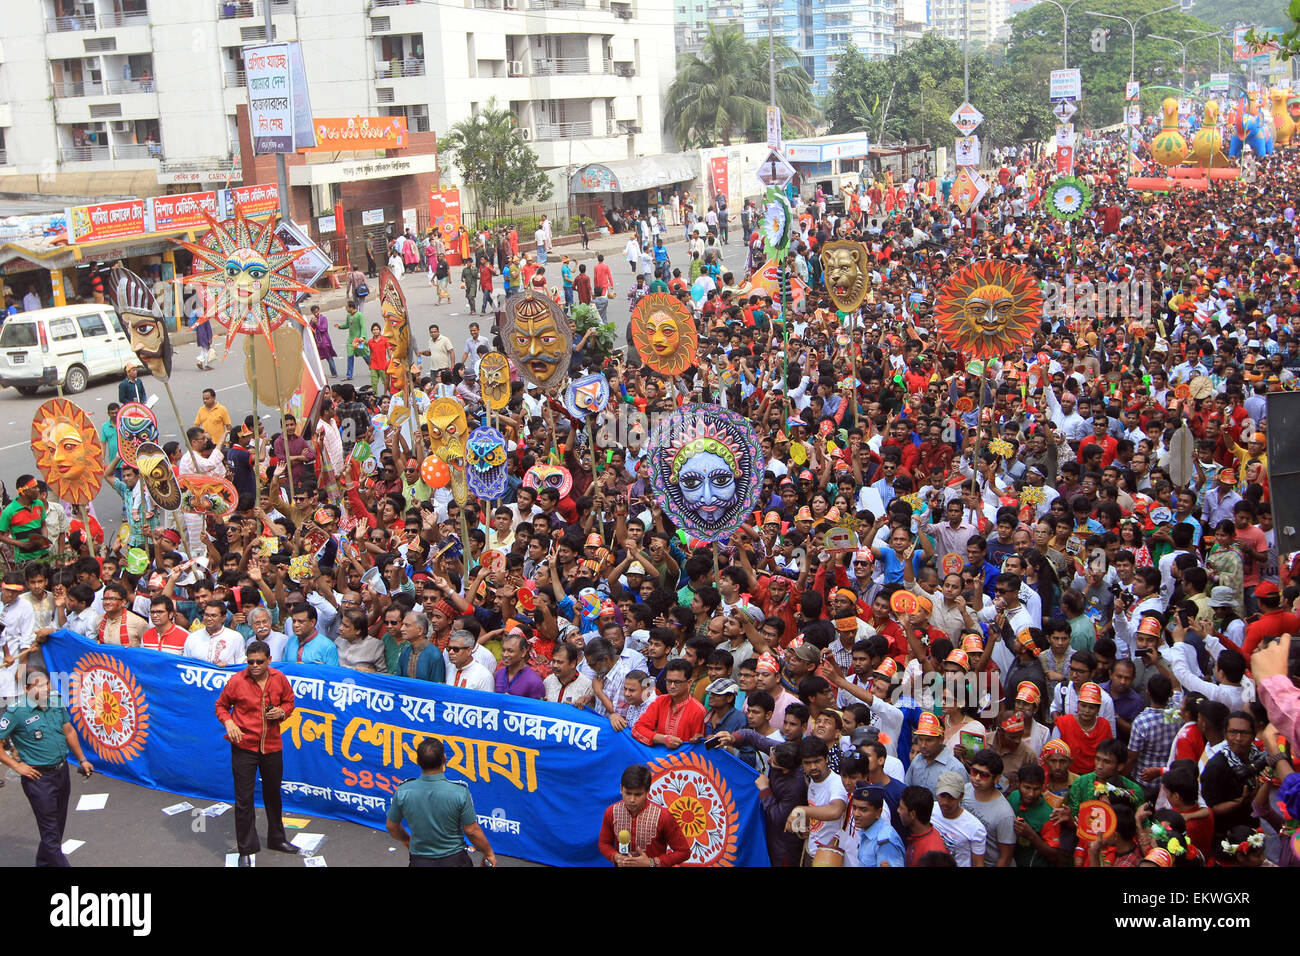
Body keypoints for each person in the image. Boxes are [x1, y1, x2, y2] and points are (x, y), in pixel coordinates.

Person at [214, 640, 297, 866]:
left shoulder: (279, 679)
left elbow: (290, 702)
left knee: (273, 795)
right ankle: (246, 849)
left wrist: (282, 712)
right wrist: (229, 722)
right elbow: (221, 706)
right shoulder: (237, 681)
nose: (254, 666)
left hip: (272, 746)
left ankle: (277, 839)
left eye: (259, 662)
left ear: (269, 660)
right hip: (244, 747)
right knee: (244, 799)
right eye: (250, 662)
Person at [0, 670, 95, 866]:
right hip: (38, 779)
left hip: (61, 772)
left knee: (57, 828)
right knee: (50, 833)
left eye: (47, 684)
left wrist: (82, 759)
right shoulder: (16, 712)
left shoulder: (56, 702)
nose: (45, 689)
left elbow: (69, 731)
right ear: (27, 689)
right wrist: (17, 766)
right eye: (39, 686)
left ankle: (43, 863)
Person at [387, 737, 497, 867]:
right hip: (456, 861)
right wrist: (488, 853)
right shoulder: (459, 792)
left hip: (420, 861)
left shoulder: (403, 791)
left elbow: (392, 826)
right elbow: (472, 831)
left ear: (417, 761)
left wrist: (407, 840)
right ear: (444, 758)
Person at [598, 764, 691, 866]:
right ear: (621, 789)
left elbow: (684, 852)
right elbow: (604, 843)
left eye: (638, 794)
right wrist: (615, 856)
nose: (632, 800)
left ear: (647, 791)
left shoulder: (663, 816)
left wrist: (651, 862)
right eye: (628, 793)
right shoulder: (611, 812)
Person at [853, 784, 906, 867]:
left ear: (878, 812)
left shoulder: (885, 841)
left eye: (863, 810)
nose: (856, 814)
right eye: (854, 808)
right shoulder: (867, 831)